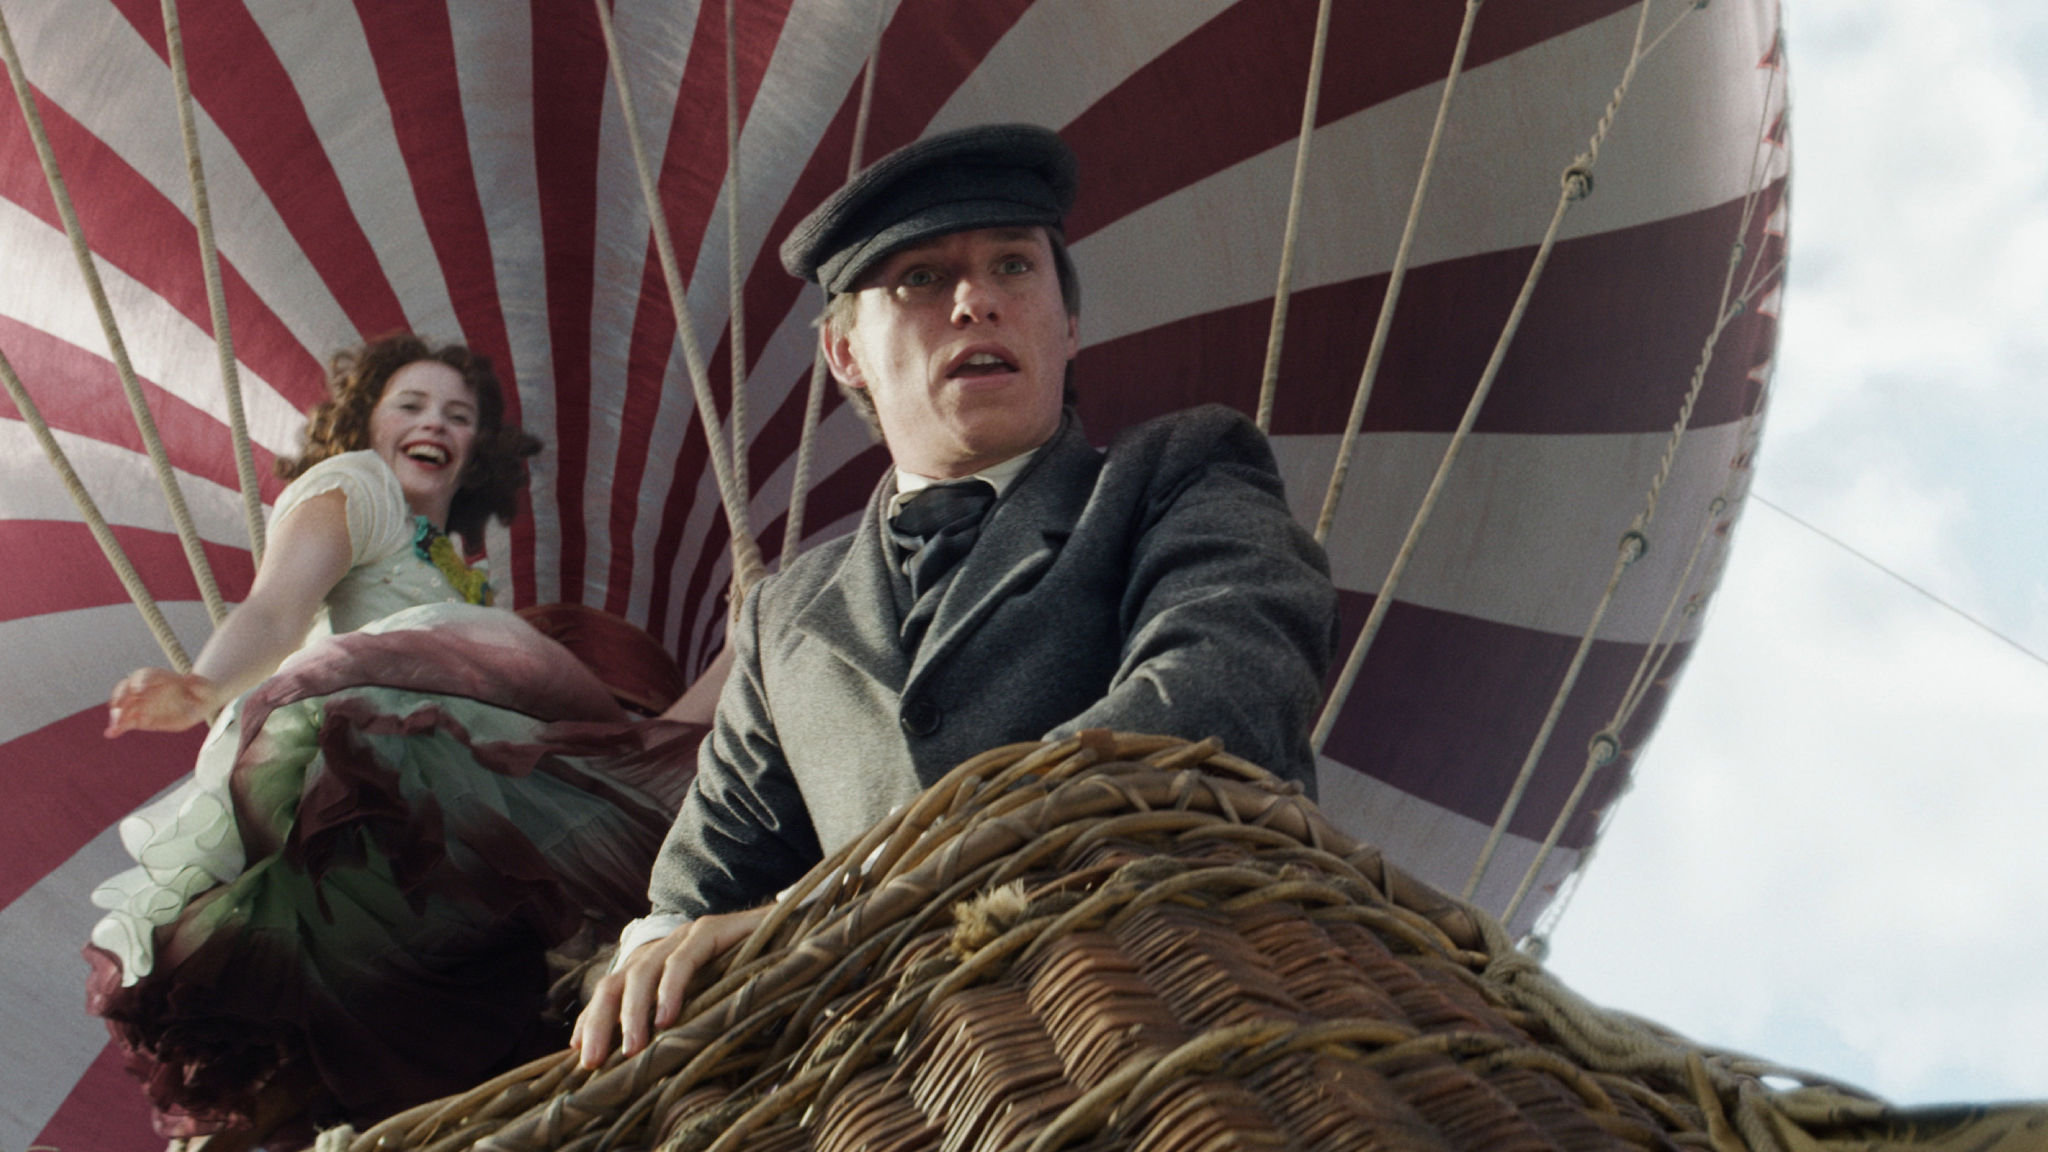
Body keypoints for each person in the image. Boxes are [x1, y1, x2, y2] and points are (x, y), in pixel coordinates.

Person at [572, 123, 1340, 1067]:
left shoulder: (1183, 475)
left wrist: (838, 900)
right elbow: (700, 891)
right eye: (922, 279)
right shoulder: (784, 617)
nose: (976, 301)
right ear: (845, 354)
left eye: (1013, 266)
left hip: (1192, 1041)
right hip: (904, 1096)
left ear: (1067, 325)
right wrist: (650, 957)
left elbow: (1216, 703)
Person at [88, 334, 703, 1151]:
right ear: (365, 426)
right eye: (410, 405)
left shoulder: (461, 573)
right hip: (371, 770)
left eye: (459, 415)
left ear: (475, 450)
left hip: (448, 828)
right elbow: (276, 608)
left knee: (430, 1027)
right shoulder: (359, 486)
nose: (435, 423)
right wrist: (205, 685)